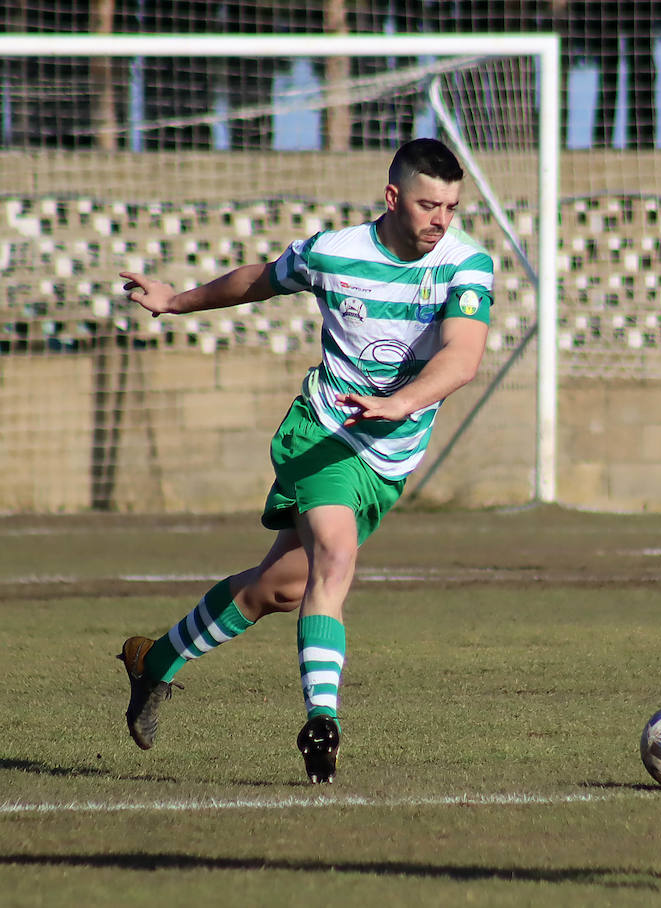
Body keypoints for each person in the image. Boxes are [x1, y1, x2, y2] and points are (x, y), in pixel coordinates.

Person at [116, 138, 493, 784]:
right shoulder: (333, 253)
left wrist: (401, 402)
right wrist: (176, 300)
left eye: (452, 207)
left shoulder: (466, 265)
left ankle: (155, 661)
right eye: (429, 205)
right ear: (393, 197)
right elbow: (258, 280)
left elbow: (462, 357)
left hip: (388, 457)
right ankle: (323, 721)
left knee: (280, 589)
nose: (441, 220)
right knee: (336, 557)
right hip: (322, 435)